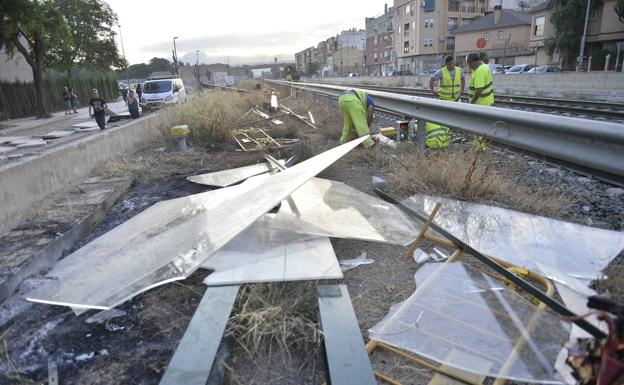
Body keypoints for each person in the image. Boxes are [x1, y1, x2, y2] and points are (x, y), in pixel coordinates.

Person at [425, 55, 466, 149]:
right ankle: (447, 134)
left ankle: (456, 132)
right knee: (446, 119)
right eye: (449, 64)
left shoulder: (459, 70)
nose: (451, 65)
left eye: (452, 63)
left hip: (456, 99)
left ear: (454, 62)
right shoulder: (442, 71)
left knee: (458, 117)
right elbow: (432, 79)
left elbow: (463, 79)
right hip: (445, 100)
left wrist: (462, 89)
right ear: (446, 64)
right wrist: (433, 91)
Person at [466, 52, 494, 150]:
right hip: (487, 101)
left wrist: (471, 104)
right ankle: (480, 146)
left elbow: (478, 90)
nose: (468, 66)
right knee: (482, 125)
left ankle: (479, 148)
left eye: (468, 64)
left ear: (472, 62)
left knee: (478, 126)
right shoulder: (485, 66)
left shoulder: (479, 71)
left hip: (480, 103)